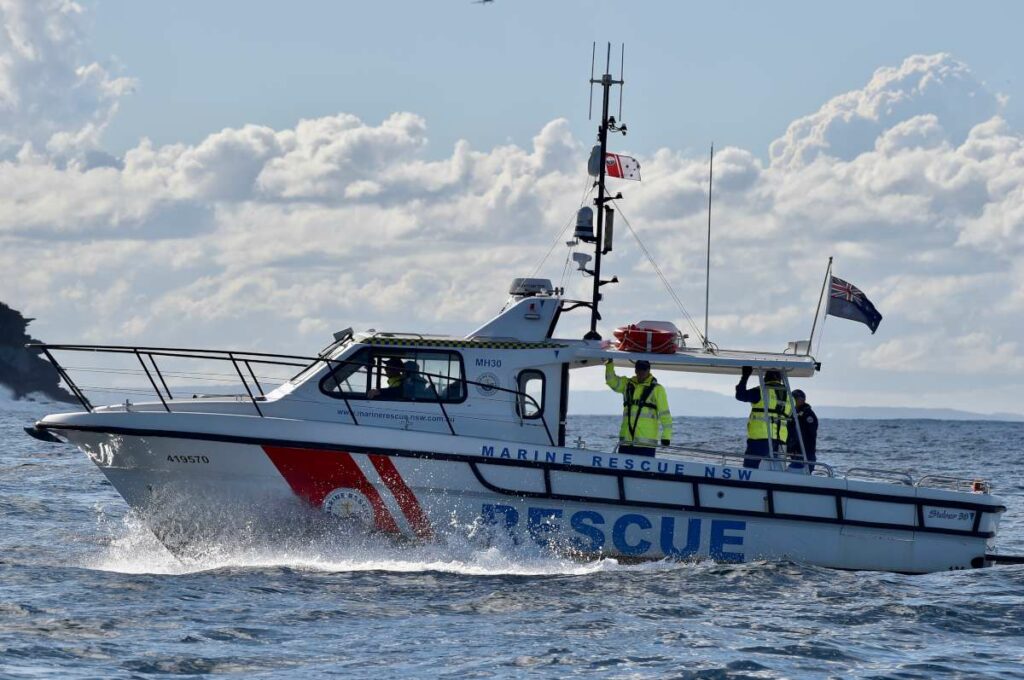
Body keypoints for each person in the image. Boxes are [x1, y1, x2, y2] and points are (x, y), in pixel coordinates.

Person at [605, 359, 672, 456]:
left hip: (645, 444)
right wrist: (609, 363)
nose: (641, 372)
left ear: (649, 371)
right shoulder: (627, 385)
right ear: (635, 371)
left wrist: (666, 436)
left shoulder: (658, 389)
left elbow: (665, 414)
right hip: (626, 442)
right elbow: (611, 381)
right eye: (639, 369)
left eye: (644, 369)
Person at [734, 366, 791, 469]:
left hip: (761, 438)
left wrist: (745, 376)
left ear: (765, 378)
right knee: (774, 469)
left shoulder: (761, 391)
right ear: (780, 379)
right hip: (780, 440)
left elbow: (740, 395)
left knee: (750, 468)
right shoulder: (789, 396)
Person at [786, 389, 818, 472]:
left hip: (806, 450)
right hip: (795, 450)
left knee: (806, 472)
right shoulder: (792, 413)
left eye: (795, 399)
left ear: (801, 400)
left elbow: (811, 433)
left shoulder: (808, 414)